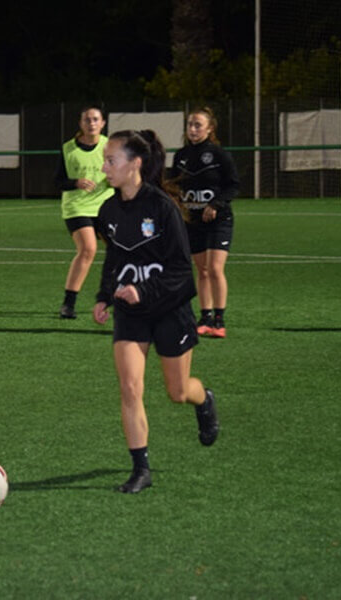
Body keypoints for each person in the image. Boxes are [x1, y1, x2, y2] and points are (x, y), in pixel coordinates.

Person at [93, 129, 220, 494]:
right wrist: (105, 295)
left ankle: (204, 398)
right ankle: (140, 470)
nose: (105, 167)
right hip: (130, 312)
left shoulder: (162, 208)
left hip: (168, 308)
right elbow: (114, 257)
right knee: (130, 387)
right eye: (104, 160)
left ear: (135, 164)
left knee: (178, 391)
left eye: (111, 160)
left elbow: (182, 272)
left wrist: (143, 290)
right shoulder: (108, 209)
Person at [170, 107, 239, 338]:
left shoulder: (219, 155)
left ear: (210, 129)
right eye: (190, 124)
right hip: (192, 221)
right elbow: (174, 185)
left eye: (198, 125)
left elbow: (233, 185)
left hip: (218, 220)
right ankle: (205, 316)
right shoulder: (181, 155)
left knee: (215, 269)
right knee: (202, 270)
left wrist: (216, 204)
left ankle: (219, 320)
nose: (192, 129)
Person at [54, 105, 114, 319]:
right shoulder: (68, 149)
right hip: (77, 207)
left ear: (103, 123)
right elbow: (58, 181)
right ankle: (68, 303)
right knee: (88, 249)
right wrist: (75, 182)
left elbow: (121, 170)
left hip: (106, 205)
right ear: (81, 124)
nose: (91, 123)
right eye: (87, 120)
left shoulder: (110, 146)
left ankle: (119, 296)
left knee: (121, 248)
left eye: (95, 119)